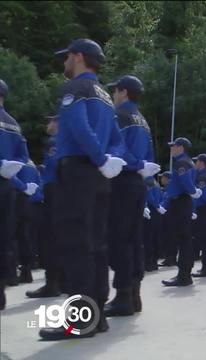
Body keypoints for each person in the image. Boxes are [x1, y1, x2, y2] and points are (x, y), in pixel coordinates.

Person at [40, 39, 127, 341]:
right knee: (96, 245)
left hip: (78, 170)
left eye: (66, 57)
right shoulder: (104, 95)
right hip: (99, 176)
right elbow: (117, 138)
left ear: (77, 57)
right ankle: (96, 315)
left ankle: (79, 320)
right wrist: (107, 160)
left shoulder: (74, 90)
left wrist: (100, 157)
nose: (64, 63)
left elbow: (77, 126)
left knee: (76, 244)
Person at [103, 75, 159, 317]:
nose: (113, 96)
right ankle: (134, 294)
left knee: (118, 238)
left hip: (123, 179)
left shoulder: (120, 115)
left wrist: (134, 164)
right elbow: (150, 153)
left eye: (114, 91)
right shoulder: (142, 119)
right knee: (134, 238)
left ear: (123, 92)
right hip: (138, 182)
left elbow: (117, 147)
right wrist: (144, 168)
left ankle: (123, 295)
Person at [0, 77, 30, 310]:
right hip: (7, 185)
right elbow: (23, 155)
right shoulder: (13, 123)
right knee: (5, 237)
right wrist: (10, 166)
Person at [26, 116, 63, 298]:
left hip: (53, 190)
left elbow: (55, 166)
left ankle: (52, 284)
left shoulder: (54, 142)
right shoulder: (67, 141)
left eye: (51, 121)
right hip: (63, 192)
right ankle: (61, 282)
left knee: (50, 239)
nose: (48, 124)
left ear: (57, 123)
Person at [161, 137, 202, 287]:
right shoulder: (187, 162)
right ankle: (184, 274)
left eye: (174, 146)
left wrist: (192, 191)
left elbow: (185, 180)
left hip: (180, 202)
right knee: (184, 239)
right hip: (182, 202)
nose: (171, 149)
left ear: (181, 147)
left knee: (183, 239)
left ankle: (184, 275)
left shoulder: (182, 163)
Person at [191, 154, 206, 277]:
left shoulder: (202, 176)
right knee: (205, 239)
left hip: (204, 209)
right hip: (205, 209)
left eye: (197, 162)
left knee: (205, 240)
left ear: (201, 163)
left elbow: (203, 194)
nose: (195, 164)